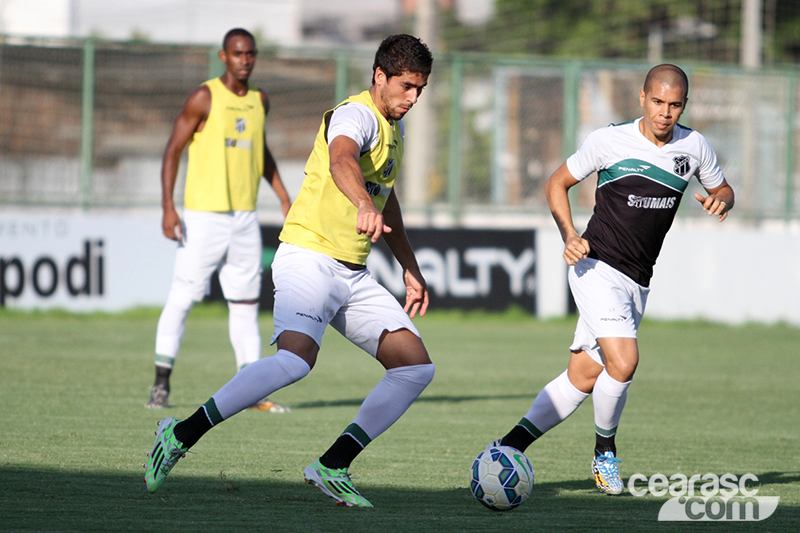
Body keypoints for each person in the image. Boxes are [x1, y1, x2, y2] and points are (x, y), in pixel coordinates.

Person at [144, 34, 435, 508]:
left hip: (353, 273)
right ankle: (179, 434)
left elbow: (388, 201)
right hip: (308, 256)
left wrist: (410, 268)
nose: (413, 98)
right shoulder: (356, 115)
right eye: (406, 86)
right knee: (296, 361)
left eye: (420, 90)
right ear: (379, 76)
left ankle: (332, 465)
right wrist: (362, 200)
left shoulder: (394, 130)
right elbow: (343, 159)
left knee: (416, 367)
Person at [490, 64, 735, 495]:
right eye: (657, 102)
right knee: (624, 362)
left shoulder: (694, 146)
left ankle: (507, 447)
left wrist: (721, 200)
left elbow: (724, 189)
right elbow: (556, 183)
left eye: (674, 105)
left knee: (582, 377)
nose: (664, 113)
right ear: (642, 98)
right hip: (596, 266)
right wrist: (570, 235)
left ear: (684, 106)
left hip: (637, 281)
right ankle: (605, 453)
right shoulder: (608, 140)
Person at [146, 28, 293, 413]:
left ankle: (253, 393)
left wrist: (282, 195)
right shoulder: (204, 96)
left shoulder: (261, 100)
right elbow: (172, 150)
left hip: (244, 218)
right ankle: (161, 383)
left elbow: (261, 152)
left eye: (251, 54)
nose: (245, 60)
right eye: (238, 53)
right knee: (183, 297)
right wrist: (168, 206)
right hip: (203, 217)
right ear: (223, 56)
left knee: (245, 305)